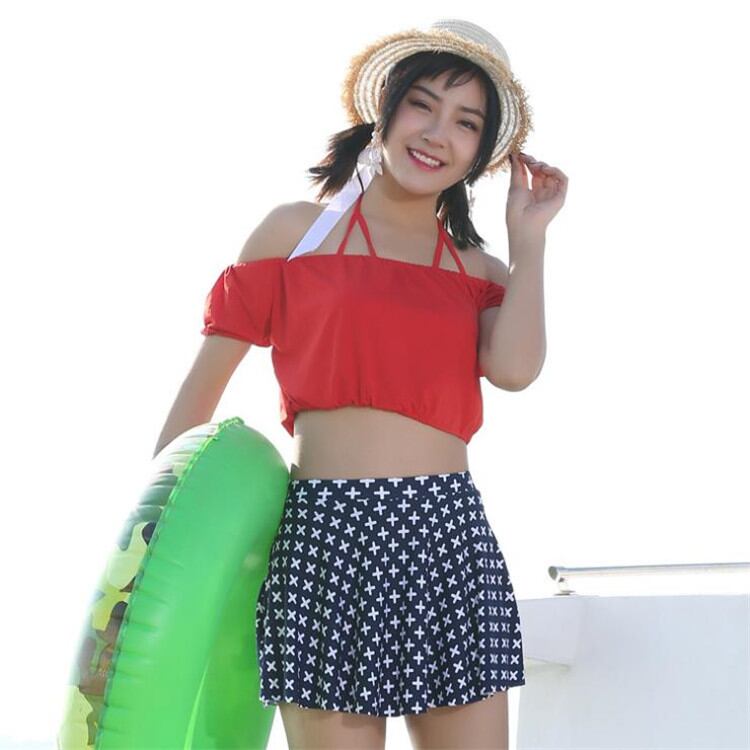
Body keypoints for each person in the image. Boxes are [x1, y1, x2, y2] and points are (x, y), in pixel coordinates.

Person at [154, 18, 567, 750]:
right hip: (322, 538)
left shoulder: (477, 270)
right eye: (422, 104)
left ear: (480, 154)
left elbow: (514, 371)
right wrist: (153, 529)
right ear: (386, 108)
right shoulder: (294, 234)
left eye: (465, 122)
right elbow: (202, 391)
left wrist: (528, 241)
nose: (436, 133)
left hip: (444, 537)